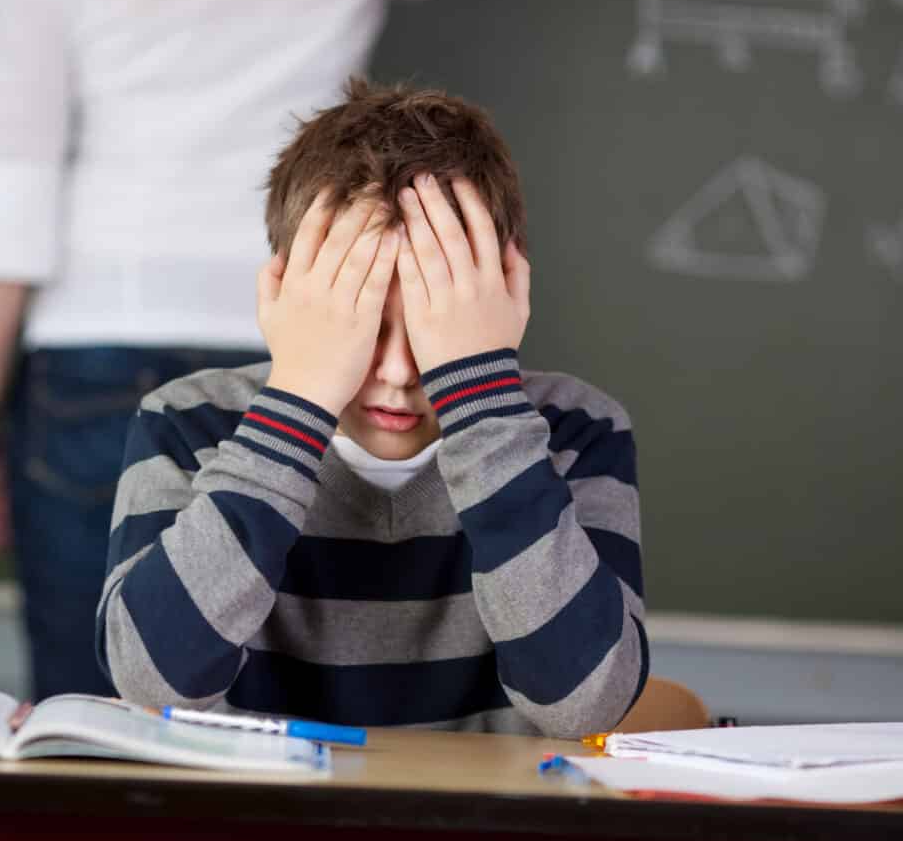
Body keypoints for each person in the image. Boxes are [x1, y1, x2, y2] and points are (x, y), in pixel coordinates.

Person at [0, 0, 467, 700]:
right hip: (308, 343)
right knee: (279, 714)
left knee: (88, 721)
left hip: (96, 348)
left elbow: (12, 170)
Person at [96, 80, 647, 736]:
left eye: (429, 328)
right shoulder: (191, 422)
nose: (393, 373)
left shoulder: (576, 430)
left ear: (501, 298)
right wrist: (300, 396)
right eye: (358, 326)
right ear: (287, 298)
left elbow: (587, 704)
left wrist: (481, 398)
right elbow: (153, 683)